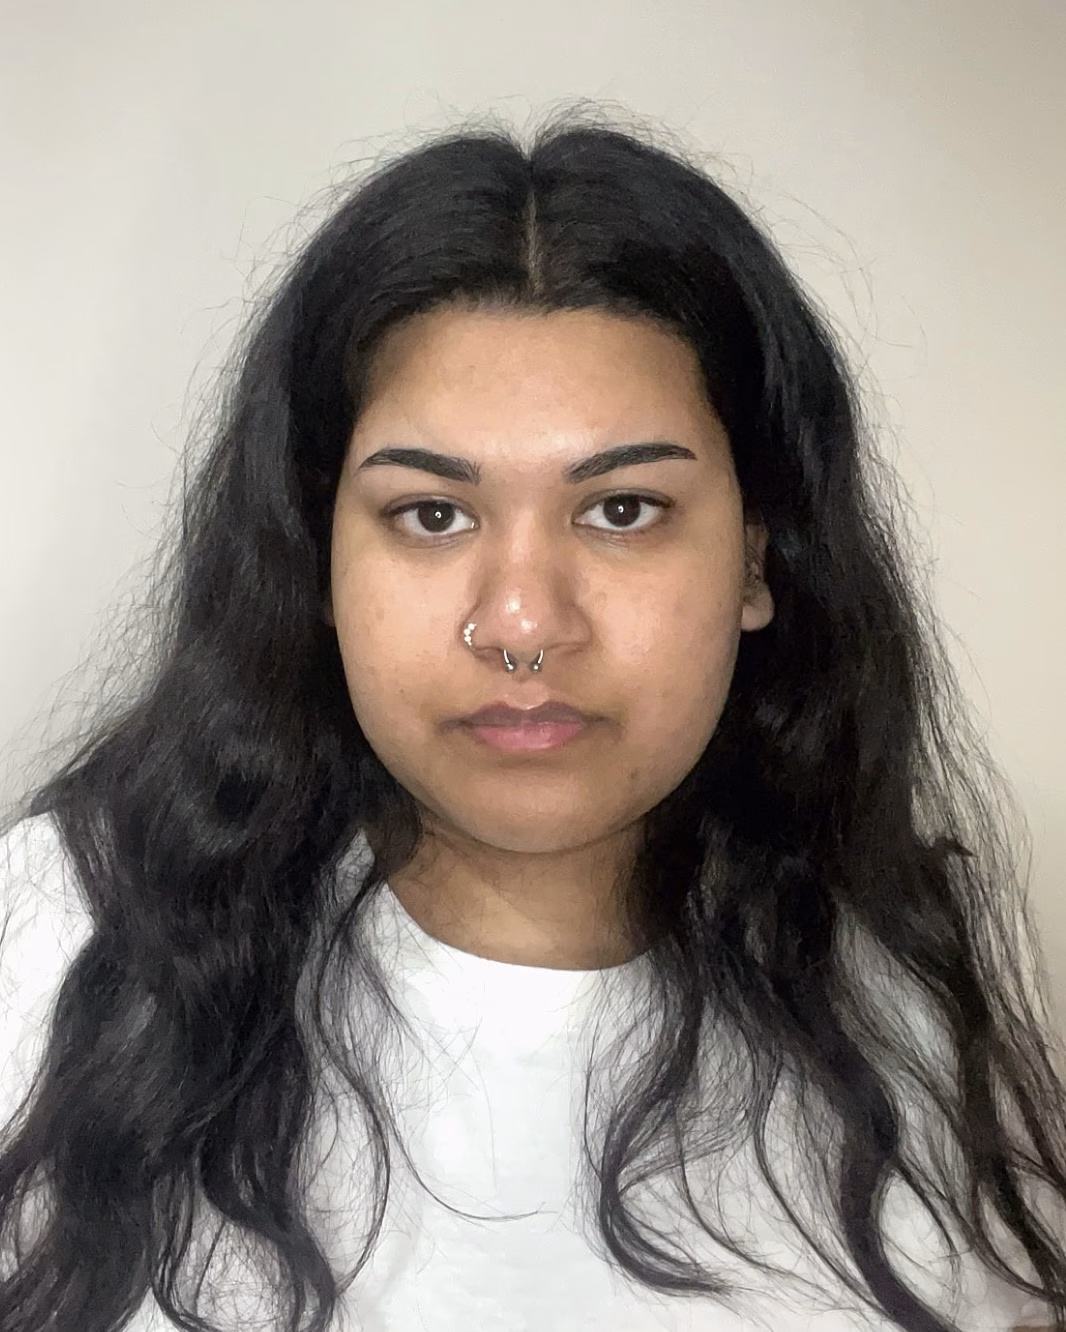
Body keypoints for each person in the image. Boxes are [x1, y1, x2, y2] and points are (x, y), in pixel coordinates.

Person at [0, 106, 1063, 1332]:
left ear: (755, 558)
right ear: (317, 564)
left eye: (622, 510)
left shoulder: (903, 997)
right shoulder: (62, 941)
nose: (520, 625)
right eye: (431, 516)